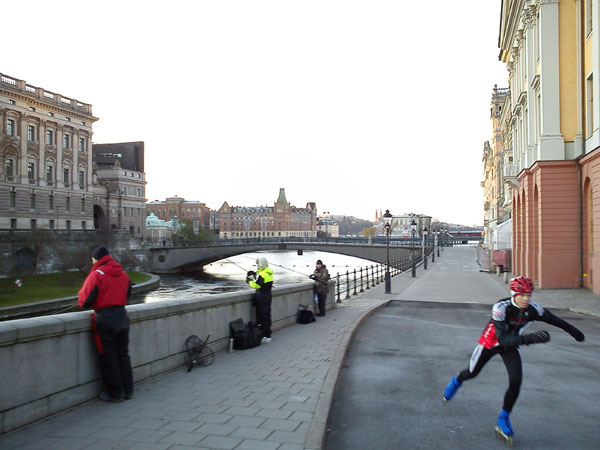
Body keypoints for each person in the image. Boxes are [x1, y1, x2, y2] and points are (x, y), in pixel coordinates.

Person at [442, 276, 585, 443]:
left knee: (516, 381)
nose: (526, 299)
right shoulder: (501, 307)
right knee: (472, 373)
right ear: (514, 294)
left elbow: (555, 320)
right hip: (490, 344)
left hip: (511, 345)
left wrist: (575, 332)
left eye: (529, 295)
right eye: (522, 295)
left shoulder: (533, 309)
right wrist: (530, 338)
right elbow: (502, 339)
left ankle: (503, 418)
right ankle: (456, 381)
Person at [78, 247, 134, 403]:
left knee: (108, 356)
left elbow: (85, 300)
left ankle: (115, 393)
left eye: (93, 259)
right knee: (123, 354)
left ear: (97, 259)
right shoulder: (123, 274)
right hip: (122, 317)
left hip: (105, 319)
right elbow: (127, 294)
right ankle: (128, 389)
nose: (92, 262)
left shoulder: (97, 275)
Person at [246, 256, 274, 344]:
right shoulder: (269, 273)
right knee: (267, 315)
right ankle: (268, 334)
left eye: (258, 264)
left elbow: (257, 286)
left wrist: (249, 281)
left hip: (261, 297)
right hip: (268, 295)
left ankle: (264, 335)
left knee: (262, 316)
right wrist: (255, 277)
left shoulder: (262, 274)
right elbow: (263, 283)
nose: (257, 265)